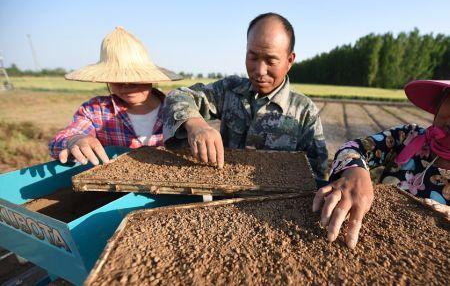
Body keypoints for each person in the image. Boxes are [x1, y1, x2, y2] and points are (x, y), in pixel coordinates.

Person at [162, 12, 328, 181]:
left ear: (290, 60)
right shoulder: (229, 90)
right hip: (223, 195)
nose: (260, 71)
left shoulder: (305, 112)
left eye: (271, 61)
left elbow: (314, 176)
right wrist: (196, 125)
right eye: (253, 57)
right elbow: (178, 96)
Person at [313, 80, 450, 249]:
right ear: (440, 103)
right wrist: (356, 172)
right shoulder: (407, 137)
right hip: (373, 235)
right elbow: (354, 148)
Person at [49, 27, 180, 165]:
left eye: (135, 78)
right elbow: (60, 141)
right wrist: (74, 140)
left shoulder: (176, 110)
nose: (127, 85)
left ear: (151, 78)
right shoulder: (96, 111)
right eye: (118, 79)